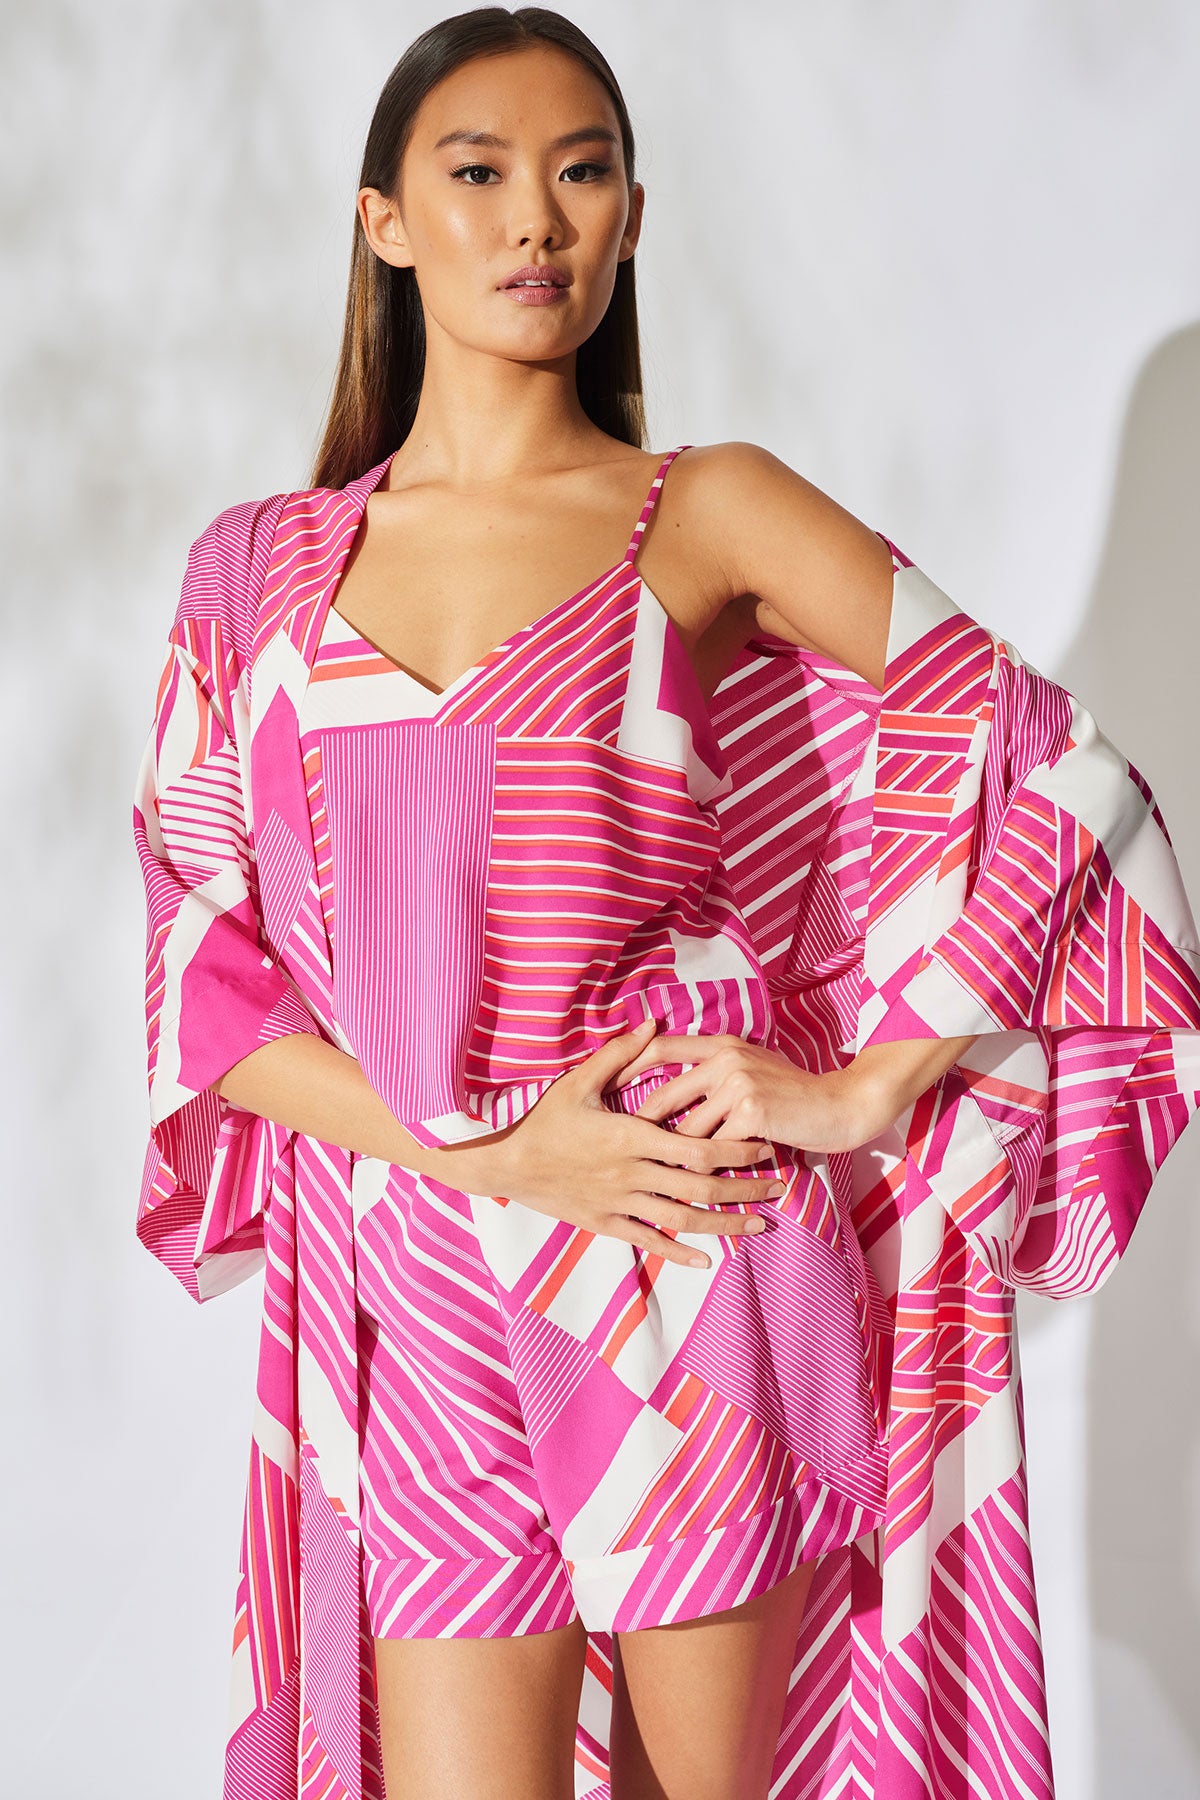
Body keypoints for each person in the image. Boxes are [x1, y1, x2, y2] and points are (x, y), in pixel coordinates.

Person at [130, 10, 1200, 1800]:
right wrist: (494, 1155)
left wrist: (861, 1088)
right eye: (479, 172)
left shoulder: (705, 511)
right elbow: (205, 980)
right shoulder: (257, 577)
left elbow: (1065, 772)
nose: (534, 219)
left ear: (631, 217)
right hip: (427, 1274)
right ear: (385, 220)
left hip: (695, 1249)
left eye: (584, 173)